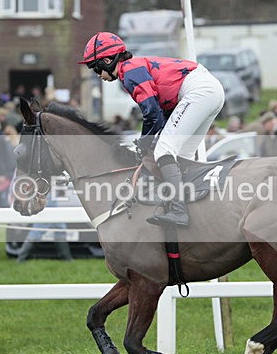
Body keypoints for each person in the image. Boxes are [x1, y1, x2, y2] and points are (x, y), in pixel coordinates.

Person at [78, 31, 224, 227]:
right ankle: (193, 208)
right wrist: (147, 141)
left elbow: (152, 112)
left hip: (199, 91)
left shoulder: (129, 71)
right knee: (181, 155)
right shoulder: (134, 68)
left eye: (96, 68)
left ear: (108, 60)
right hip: (208, 91)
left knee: (164, 150)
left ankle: (179, 211)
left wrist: (145, 142)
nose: (98, 75)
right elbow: (159, 117)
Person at [16, 192, 73, 263]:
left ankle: (66, 258)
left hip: (53, 208)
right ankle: (21, 258)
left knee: (60, 231)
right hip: (48, 208)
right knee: (36, 234)